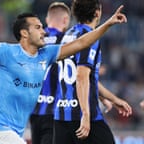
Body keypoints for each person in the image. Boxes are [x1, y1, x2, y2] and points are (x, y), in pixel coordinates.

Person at [0, 5, 127, 144]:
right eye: (38, 28)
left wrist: (107, 24)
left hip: (12, 132)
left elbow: (81, 43)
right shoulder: (5, 52)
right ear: (24, 34)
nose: (44, 31)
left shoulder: (47, 54)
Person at [53, 0, 132, 144]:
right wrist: (86, 114)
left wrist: (113, 100)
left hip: (62, 116)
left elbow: (87, 78)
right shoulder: (89, 38)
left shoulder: (68, 35)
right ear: (97, 12)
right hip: (84, 117)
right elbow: (81, 76)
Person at [29, 2, 71, 144]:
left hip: (34, 109)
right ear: (65, 20)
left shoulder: (33, 40)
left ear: (47, 20)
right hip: (55, 110)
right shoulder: (67, 41)